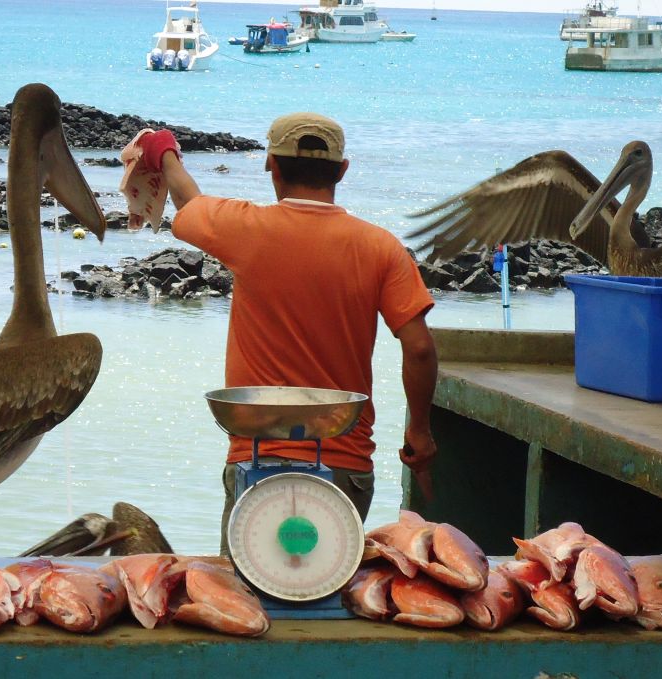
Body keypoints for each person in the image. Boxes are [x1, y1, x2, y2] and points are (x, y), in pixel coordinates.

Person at [134, 114, 439, 554]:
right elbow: (420, 349)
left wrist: (164, 151)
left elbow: (188, 201)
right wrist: (420, 433)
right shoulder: (381, 247)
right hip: (345, 462)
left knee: (247, 598)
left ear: (270, 165)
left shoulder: (244, 227)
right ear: (342, 170)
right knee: (326, 591)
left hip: (257, 457)